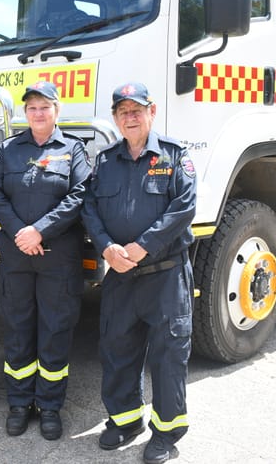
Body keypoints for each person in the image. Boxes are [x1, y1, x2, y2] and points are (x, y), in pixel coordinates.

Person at [81, 82, 196, 464]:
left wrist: (144, 245)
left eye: (137, 110)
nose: (130, 118)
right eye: (123, 112)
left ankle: (166, 433)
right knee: (117, 350)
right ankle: (125, 421)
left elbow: (184, 206)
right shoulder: (105, 161)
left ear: (152, 112)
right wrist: (106, 247)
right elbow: (89, 208)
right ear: (115, 118)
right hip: (120, 273)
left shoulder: (174, 155)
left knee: (167, 358)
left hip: (165, 274)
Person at [0, 81, 91, 440]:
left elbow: (79, 195)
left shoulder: (73, 149)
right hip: (17, 255)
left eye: (45, 106)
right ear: (25, 112)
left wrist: (40, 231)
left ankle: (49, 406)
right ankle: (18, 404)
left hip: (57, 257)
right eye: (32, 107)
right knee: (17, 329)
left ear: (57, 110)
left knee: (55, 331)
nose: (38, 113)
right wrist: (21, 232)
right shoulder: (8, 149)